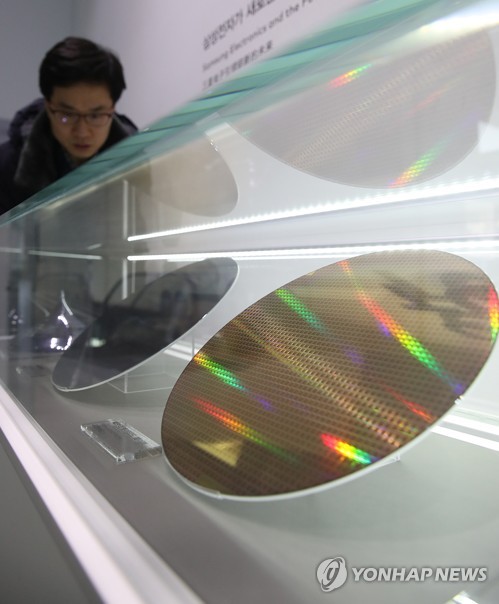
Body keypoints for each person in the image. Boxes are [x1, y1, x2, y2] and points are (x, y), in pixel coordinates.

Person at [0, 37, 137, 215]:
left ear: (113, 109)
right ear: (48, 107)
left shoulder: (135, 160)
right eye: (67, 115)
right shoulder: (9, 164)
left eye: (95, 116)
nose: (82, 132)